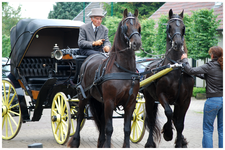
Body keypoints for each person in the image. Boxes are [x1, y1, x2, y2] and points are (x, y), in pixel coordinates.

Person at [181, 46, 223, 148]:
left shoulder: (210, 65)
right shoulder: (222, 65)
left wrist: (185, 59)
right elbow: (208, 77)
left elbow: (190, 70)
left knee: (208, 129)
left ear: (212, 55)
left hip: (212, 101)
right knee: (222, 130)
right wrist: (198, 74)